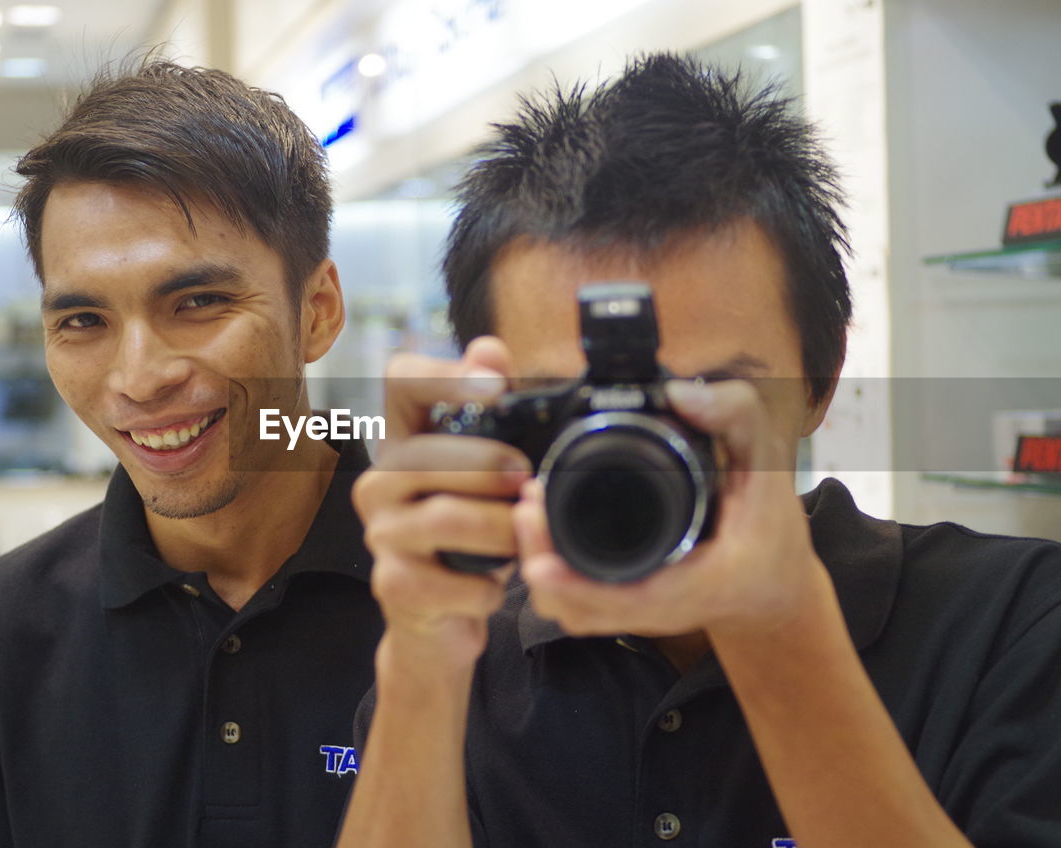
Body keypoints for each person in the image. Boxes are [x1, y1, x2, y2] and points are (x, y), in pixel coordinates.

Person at [338, 54, 1061, 848]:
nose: (637, 451)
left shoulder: (1015, 625)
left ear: (820, 381)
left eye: (700, 399)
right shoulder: (466, 664)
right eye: (580, 408)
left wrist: (782, 639)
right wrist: (420, 661)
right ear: (498, 410)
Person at [0, 61, 382, 847]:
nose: (137, 379)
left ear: (316, 312)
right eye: (82, 321)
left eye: (198, 303)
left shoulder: (483, 611)